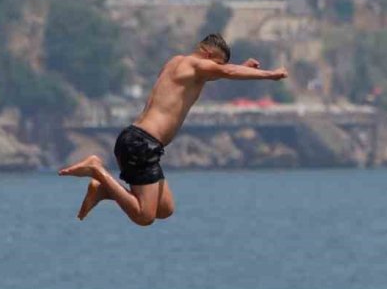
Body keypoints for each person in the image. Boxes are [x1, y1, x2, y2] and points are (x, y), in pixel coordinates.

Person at [59, 33, 287, 226]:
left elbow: (215, 74)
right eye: (217, 65)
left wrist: (242, 67)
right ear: (208, 55)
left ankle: (105, 190)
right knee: (144, 216)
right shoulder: (194, 65)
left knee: (164, 208)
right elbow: (225, 73)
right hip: (141, 144)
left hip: (140, 141)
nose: (216, 71)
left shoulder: (177, 63)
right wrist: (269, 75)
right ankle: (97, 169)